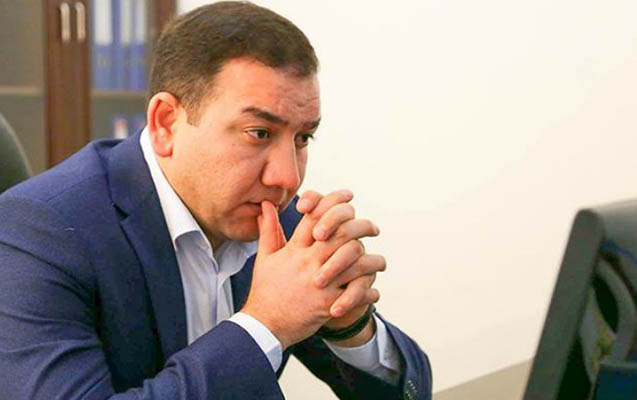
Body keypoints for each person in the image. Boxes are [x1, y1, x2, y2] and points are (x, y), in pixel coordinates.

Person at [0, 2, 432, 399]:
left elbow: (409, 391)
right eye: (259, 133)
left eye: (302, 138)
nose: (287, 177)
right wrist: (266, 324)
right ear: (166, 123)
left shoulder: (279, 220)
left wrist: (350, 327)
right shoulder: (41, 230)